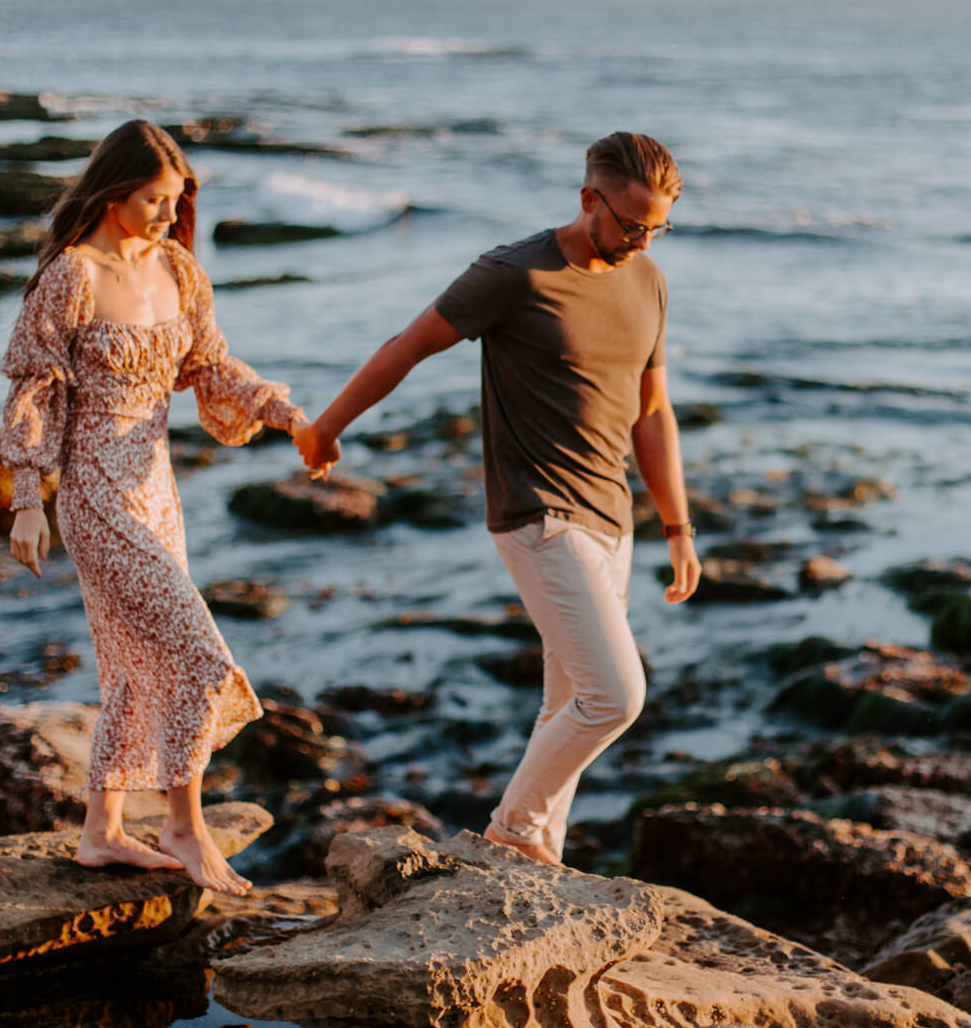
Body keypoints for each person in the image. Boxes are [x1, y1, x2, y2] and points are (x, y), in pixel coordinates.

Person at [294, 131, 701, 865]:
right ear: (589, 200)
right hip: (538, 513)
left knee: (565, 702)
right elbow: (407, 346)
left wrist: (678, 525)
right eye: (632, 223)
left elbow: (652, 411)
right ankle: (513, 829)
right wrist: (327, 427)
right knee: (615, 695)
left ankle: (538, 853)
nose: (643, 238)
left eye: (658, 226)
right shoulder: (515, 273)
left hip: (613, 520)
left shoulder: (650, 282)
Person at [1, 119, 306, 895]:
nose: (171, 216)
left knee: (135, 669)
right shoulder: (72, 274)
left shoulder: (177, 267)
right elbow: (36, 387)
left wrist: (282, 411)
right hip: (96, 494)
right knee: (200, 659)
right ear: (111, 194)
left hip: (158, 492)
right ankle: (184, 825)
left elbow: (209, 365)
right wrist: (27, 500)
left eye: (177, 201)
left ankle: (101, 832)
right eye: (154, 200)